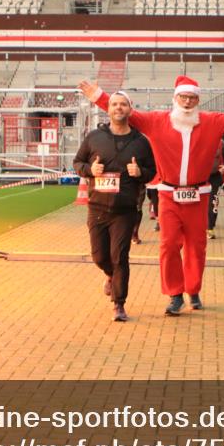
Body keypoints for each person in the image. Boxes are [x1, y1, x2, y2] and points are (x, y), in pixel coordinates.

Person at [81, 75, 224, 316]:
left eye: (192, 97)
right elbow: (125, 111)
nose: (188, 101)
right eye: (183, 97)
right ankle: (174, 294)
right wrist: (99, 97)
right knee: (169, 245)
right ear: (175, 98)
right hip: (169, 195)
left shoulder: (211, 121)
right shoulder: (157, 121)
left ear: (198, 99)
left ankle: (193, 289)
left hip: (198, 195)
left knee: (196, 246)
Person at [73, 91, 156, 322]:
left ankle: (119, 304)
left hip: (125, 210)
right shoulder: (94, 137)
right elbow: (77, 162)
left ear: (130, 109)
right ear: (107, 109)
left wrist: (140, 173)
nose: (118, 108)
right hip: (98, 207)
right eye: (114, 104)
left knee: (120, 256)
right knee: (99, 256)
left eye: (123, 104)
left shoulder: (140, 142)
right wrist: (90, 171)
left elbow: (153, 171)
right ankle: (110, 275)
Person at [206, 140, 224, 240]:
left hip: (215, 176)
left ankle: (210, 228)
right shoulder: (196, 137)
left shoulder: (221, 142)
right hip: (199, 177)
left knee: (212, 201)